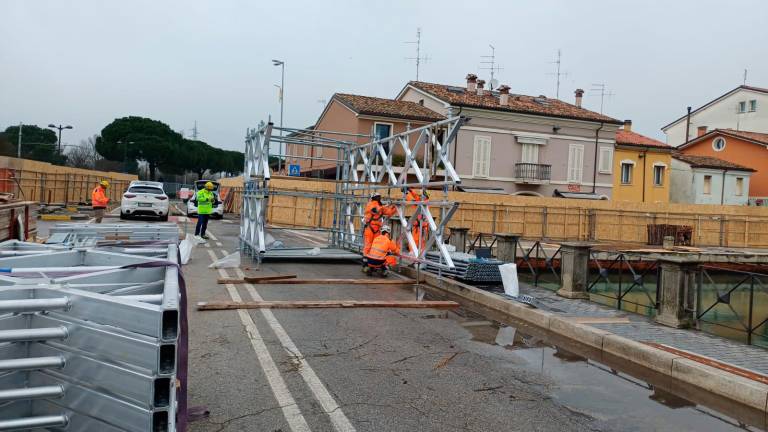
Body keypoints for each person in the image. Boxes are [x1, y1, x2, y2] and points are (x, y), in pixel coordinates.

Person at [405, 187, 429, 254]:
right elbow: (416, 196)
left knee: (417, 240)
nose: (420, 196)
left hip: (421, 225)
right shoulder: (423, 201)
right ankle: (419, 252)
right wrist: (410, 190)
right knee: (419, 240)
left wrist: (406, 193)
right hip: (420, 225)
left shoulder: (424, 203)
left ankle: (415, 252)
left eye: (422, 195)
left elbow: (414, 200)